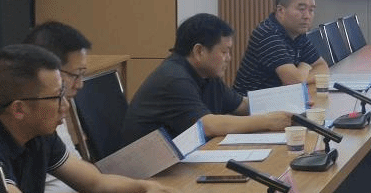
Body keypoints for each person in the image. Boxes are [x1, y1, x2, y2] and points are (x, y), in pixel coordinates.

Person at [0, 44, 200, 193]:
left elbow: (97, 183)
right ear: (19, 109)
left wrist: (150, 189)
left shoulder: (38, 132)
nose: (65, 106)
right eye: (56, 97)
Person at [122, 13, 293, 144]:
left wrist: (292, 107)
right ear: (199, 51)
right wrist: (267, 121)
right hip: (147, 170)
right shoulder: (174, 79)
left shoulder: (207, 75)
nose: (229, 58)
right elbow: (208, 125)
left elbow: (242, 105)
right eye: (224, 52)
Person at [23, 21, 94, 193]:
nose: (80, 84)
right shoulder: (28, 120)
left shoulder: (54, 108)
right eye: (75, 75)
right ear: (46, 69)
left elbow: (90, 180)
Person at [233, 0, 329, 94]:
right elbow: (293, 81)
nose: (307, 16)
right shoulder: (268, 34)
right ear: (280, 11)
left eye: (311, 10)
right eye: (301, 9)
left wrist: (301, 76)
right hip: (251, 103)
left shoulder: (298, 33)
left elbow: (322, 67)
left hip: (279, 98)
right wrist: (306, 67)